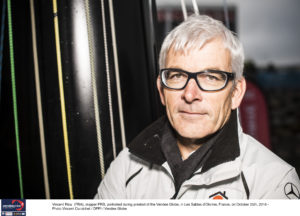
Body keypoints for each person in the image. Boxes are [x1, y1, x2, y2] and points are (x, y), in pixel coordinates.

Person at [94, 15, 300, 199]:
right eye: (177, 76)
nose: (190, 94)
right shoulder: (126, 166)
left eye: (210, 77)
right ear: (161, 90)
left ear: (236, 93)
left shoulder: (273, 182)